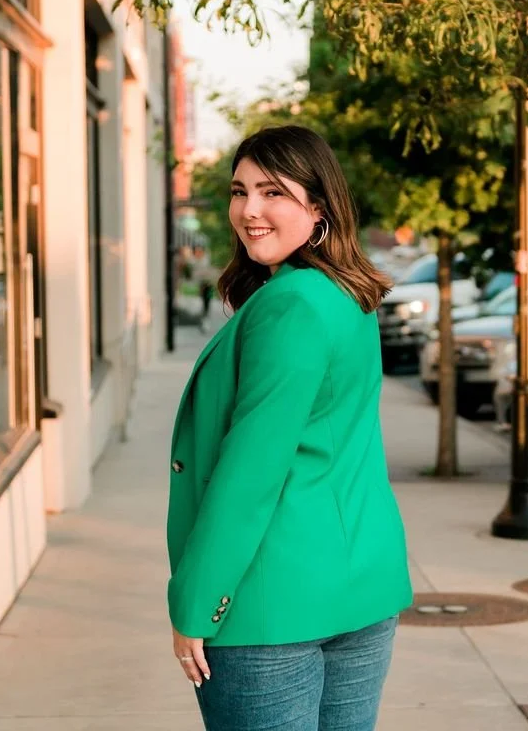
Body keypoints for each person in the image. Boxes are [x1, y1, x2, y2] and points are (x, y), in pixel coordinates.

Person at [166, 125, 413, 731]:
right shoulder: (346, 294)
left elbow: (251, 472)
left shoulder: (290, 306)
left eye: (272, 192)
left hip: (270, 605)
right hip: (360, 587)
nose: (249, 210)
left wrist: (196, 602)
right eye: (239, 191)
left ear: (318, 207)